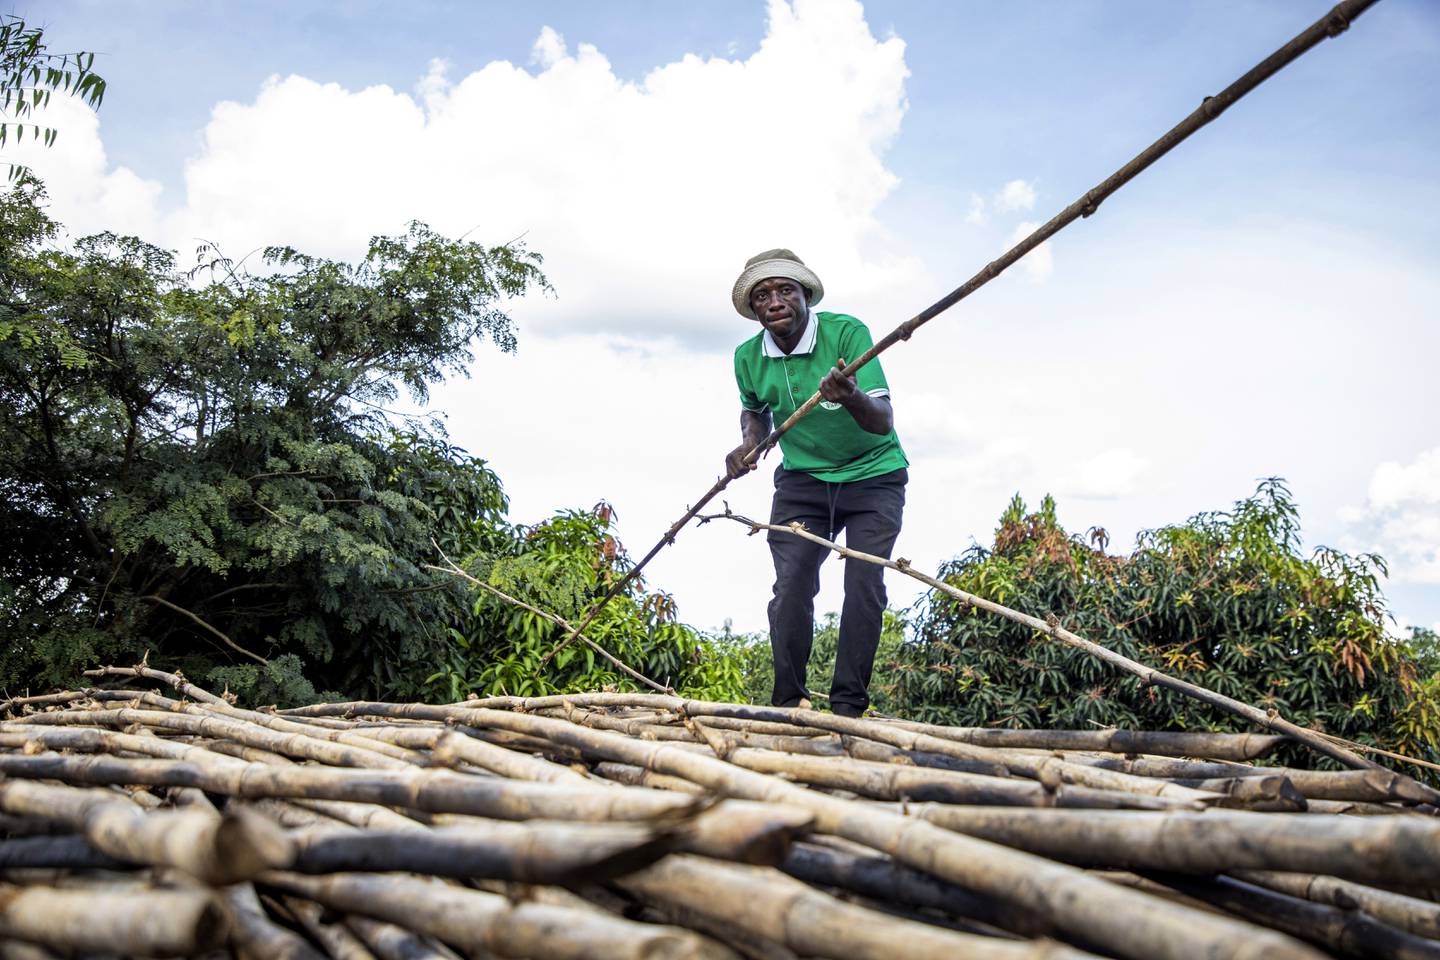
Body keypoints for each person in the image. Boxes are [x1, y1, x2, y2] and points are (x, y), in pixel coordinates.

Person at [724, 248, 908, 717]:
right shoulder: (748, 357)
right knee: (791, 585)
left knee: (864, 583)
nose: (775, 301)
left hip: (873, 477)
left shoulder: (847, 333)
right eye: (762, 295)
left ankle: (848, 708)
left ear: (805, 295)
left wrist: (849, 396)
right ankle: (790, 702)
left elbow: (881, 420)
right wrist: (749, 442)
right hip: (803, 481)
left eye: (786, 290)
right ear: (754, 308)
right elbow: (756, 409)